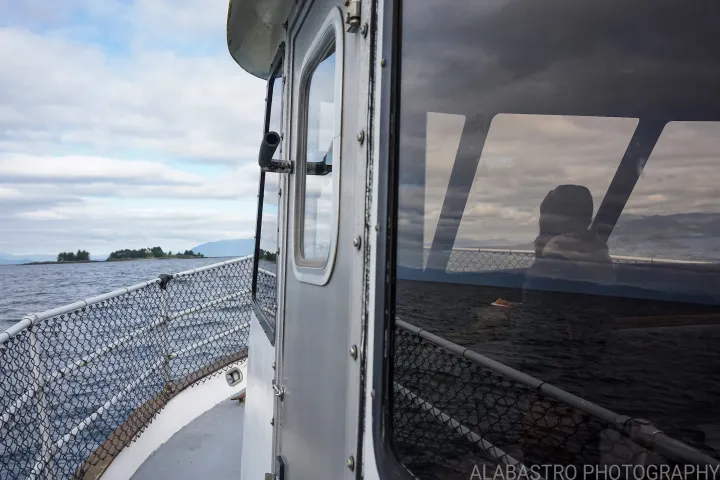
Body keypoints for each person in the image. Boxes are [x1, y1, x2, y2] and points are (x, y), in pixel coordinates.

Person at [512, 185, 615, 466]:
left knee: (546, 459)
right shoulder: (600, 256)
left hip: (553, 387)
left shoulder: (550, 266)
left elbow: (536, 335)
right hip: (590, 377)